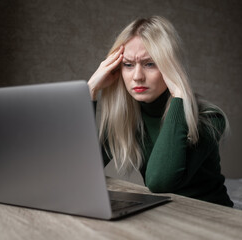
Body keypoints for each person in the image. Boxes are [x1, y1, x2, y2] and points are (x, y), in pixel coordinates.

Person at [87, 16, 233, 207]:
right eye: (128, 65)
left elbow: (159, 181)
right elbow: (82, 169)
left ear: (169, 66)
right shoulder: (127, 117)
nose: (137, 76)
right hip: (164, 212)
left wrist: (180, 95)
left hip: (211, 216)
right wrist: (89, 91)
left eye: (150, 64)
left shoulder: (209, 118)